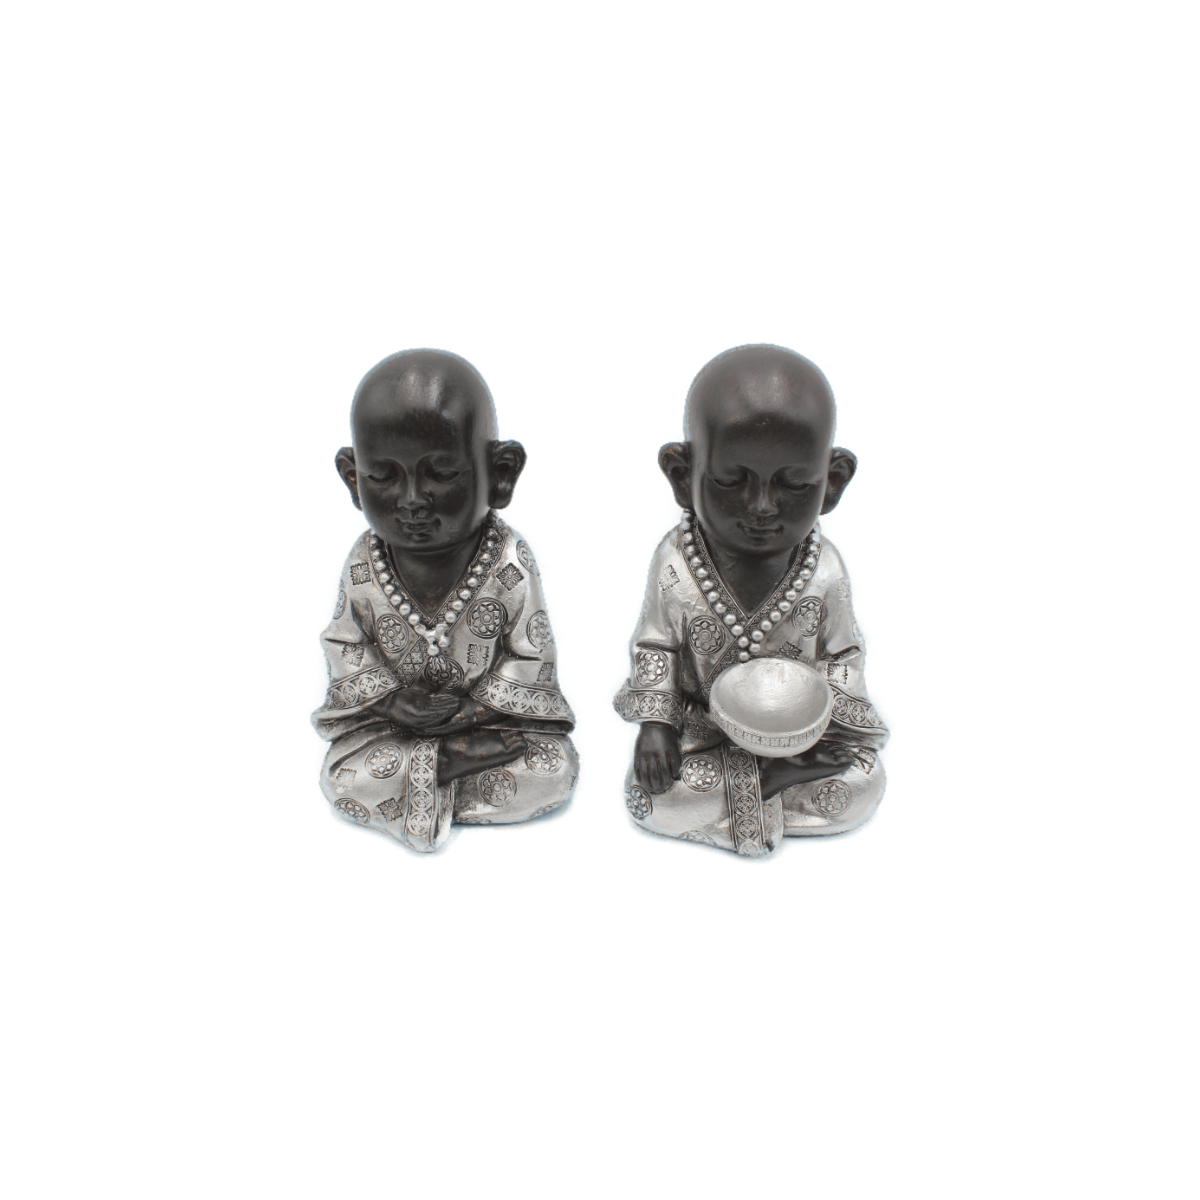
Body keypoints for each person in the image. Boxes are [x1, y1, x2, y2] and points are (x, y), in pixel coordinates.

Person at [614, 345, 887, 855]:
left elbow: (843, 656)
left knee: (863, 781)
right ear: (682, 475)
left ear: (832, 482)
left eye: (793, 484)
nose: (762, 507)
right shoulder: (674, 559)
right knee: (648, 795)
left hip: (804, 739)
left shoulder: (825, 567)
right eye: (731, 481)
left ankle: (763, 785)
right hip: (705, 732)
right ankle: (770, 788)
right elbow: (656, 647)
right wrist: (656, 727)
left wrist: (820, 724)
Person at [313, 350, 578, 852]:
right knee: (343, 778)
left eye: (441, 474)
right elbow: (345, 643)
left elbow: (531, 656)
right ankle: (449, 765)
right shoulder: (363, 562)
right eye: (383, 477)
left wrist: (470, 714)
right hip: (393, 728)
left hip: (489, 722)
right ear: (352, 478)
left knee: (552, 771)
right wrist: (392, 702)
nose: (412, 499)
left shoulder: (510, 560)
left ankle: (423, 779)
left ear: (500, 473)